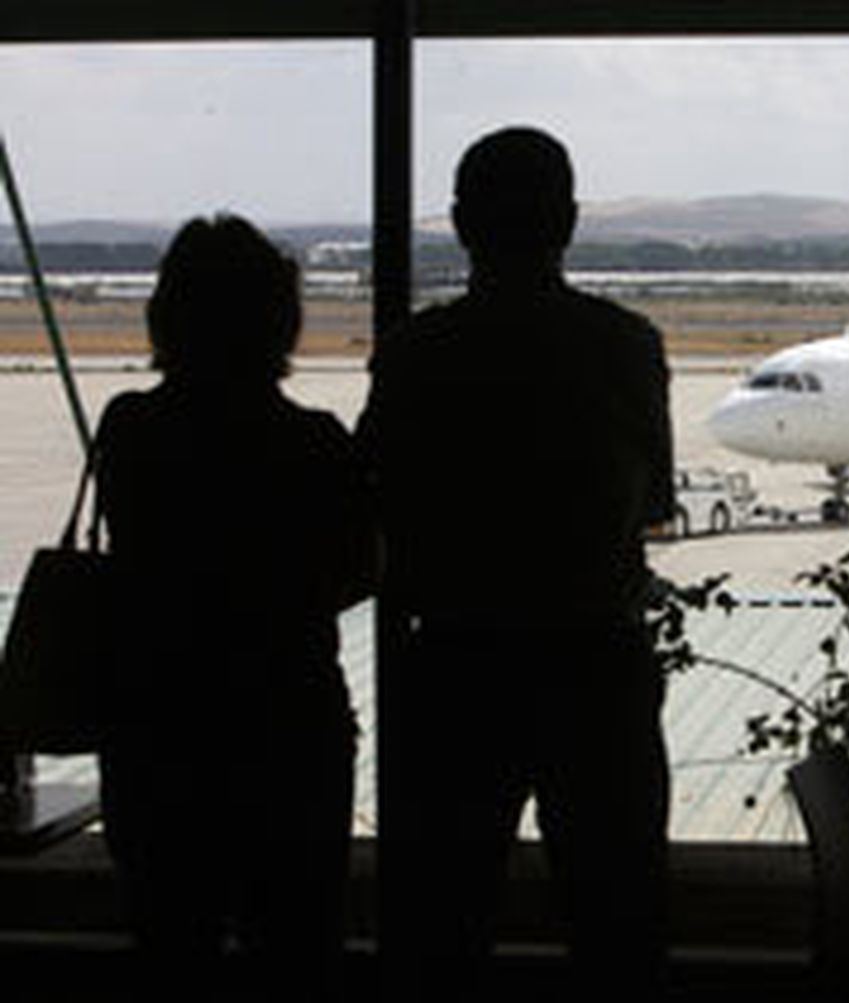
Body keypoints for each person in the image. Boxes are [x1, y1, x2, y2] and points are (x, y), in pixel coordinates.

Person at [360, 126, 675, 1000]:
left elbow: (370, 501)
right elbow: (653, 504)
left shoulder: (419, 353)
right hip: (593, 664)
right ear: (568, 222)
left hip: (456, 667)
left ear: (460, 225)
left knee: (439, 924)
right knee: (618, 925)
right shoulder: (625, 346)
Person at [94, 215, 371, 1001]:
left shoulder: (130, 426)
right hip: (288, 727)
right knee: (297, 947)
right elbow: (356, 569)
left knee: (170, 944)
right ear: (280, 321)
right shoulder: (317, 444)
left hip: (159, 726)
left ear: (166, 315)